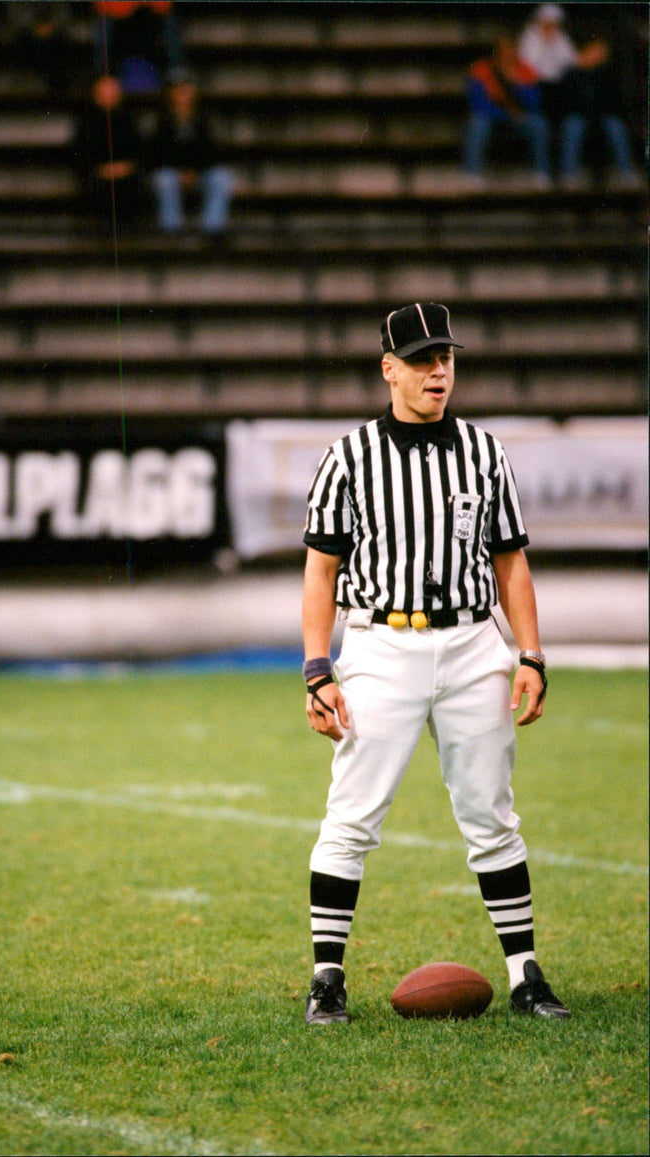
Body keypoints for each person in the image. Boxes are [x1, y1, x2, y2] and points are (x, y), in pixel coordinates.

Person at [301, 302, 570, 1026]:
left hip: (471, 642)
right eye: (421, 360)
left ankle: (525, 973)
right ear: (388, 368)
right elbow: (321, 570)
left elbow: (511, 563)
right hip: (382, 641)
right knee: (352, 815)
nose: (438, 370)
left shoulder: (485, 452)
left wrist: (531, 654)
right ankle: (327, 979)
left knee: (491, 813)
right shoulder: (349, 457)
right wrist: (317, 668)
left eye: (445, 357)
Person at [516, 3, 636, 185]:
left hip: (601, 113)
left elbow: (612, 100)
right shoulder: (569, 71)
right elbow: (541, 75)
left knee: (615, 125)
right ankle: (568, 173)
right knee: (573, 125)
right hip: (569, 109)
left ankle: (627, 172)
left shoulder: (605, 72)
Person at [147, 75, 233, 239]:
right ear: (171, 95)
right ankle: (171, 229)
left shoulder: (204, 119)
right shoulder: (162, 121)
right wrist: (179, 172)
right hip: (172, 173)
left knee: (222, 177)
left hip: (200, 172)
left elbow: (212, 152)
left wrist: (194, 171)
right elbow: (156, 154)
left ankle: (212, 228)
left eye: (186, 91)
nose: (182, 96)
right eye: (178, 92)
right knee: (164, 179)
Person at [462, 36, 551, 186]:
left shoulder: (525, 70)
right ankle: (472, 174)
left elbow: (535, 103)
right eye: (503, 50)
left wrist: (517, 84)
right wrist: (506, 114)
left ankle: (540, 173)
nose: (507, 54)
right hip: (492, 116)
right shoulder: (481, 69)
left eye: (511, 50)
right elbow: (477, 104)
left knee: (539, 123)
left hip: (519, 119)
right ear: (495, 52)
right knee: (477, 123)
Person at [75, 73, 145, 238]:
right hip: (96, 173)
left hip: (125, 171)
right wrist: (102, 169)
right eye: (105, 90)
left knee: (129, 182)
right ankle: (105, 227)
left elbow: (138, 150)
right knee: (102, 185)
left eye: (113, 90)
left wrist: (125, 167)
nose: (109, 94)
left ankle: (127, 227)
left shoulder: (128, 119)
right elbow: (80, 153)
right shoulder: (86, 121)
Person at [90, 0, 186, 94]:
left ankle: (176, 72)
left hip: (152, 23)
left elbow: (165, 5)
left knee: (170, 22)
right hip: (120, 23)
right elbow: (102, 6)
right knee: (104, 23)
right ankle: (104, 75)